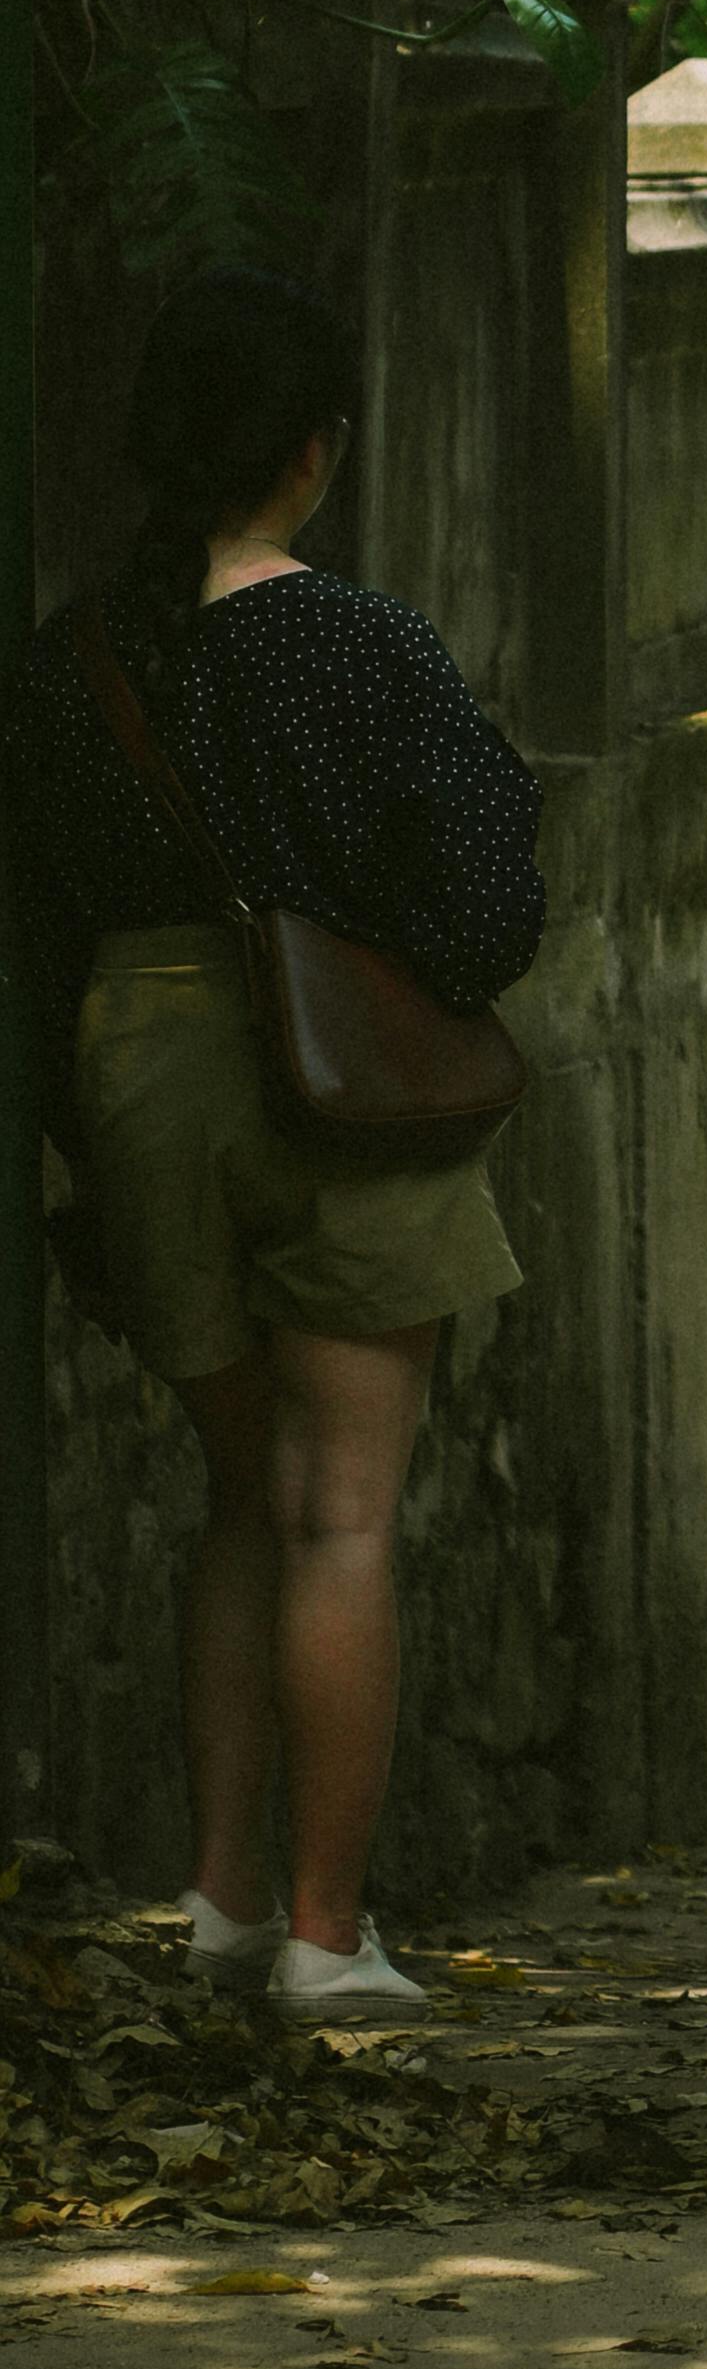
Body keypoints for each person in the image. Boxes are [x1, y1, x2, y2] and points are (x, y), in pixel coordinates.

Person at [4, 260, 544, 2031]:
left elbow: (36, 928)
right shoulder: (357, 644)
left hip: (137, 1074)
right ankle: (326, 1937)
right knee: (343, 1513)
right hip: (334, 1091)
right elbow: (482, 913)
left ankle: (223, 1901)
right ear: (313, 454)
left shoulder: (72, 660)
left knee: (239, 1492)